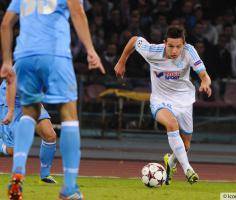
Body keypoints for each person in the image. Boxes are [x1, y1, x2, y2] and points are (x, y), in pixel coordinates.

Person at [0, 0, 105, 199]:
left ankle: (17, 175)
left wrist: (6, 61)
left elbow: (6, 24)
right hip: (55, 54)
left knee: (29, 113)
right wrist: (90, 50)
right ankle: (70, 188)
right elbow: (77, 12)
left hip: (23, 57)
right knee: (69, 114)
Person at [114, 25, 212, 185]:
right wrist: (121, 61)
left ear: (184, 44)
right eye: (171, 46)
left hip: (184, 101)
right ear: (164, 42)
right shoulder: (152, 51)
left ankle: (170, 161)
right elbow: (134, 40)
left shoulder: (189, 51)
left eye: (178, 46)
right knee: (172, 124)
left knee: (185, 145)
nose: (174, 51)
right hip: (160, 100)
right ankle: (188, 170)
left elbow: (204, 75)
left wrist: (205, 83)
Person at [0, 73, 57, 184]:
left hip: (31, 100)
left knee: (50, 135)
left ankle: (45, 175)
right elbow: (11, 81)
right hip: (10, 99)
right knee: (14, 149)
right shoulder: (26, 60)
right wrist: (11, 111)